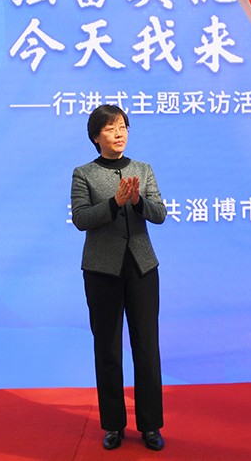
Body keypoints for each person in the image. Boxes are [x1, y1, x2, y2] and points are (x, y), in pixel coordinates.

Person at [70, 104, 168, 452]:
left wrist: (137, 201)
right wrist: (114, 202)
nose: (119, 133)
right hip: (102, 271)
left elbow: (160, 214)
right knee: (108, 348)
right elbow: (81, 218)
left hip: (142, 268)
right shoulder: (83, 174)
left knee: (147, 347)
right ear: (96, 137)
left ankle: (151, 425)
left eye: (123, 127)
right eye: (111, 129)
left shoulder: (143, 169)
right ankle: (113, 424)